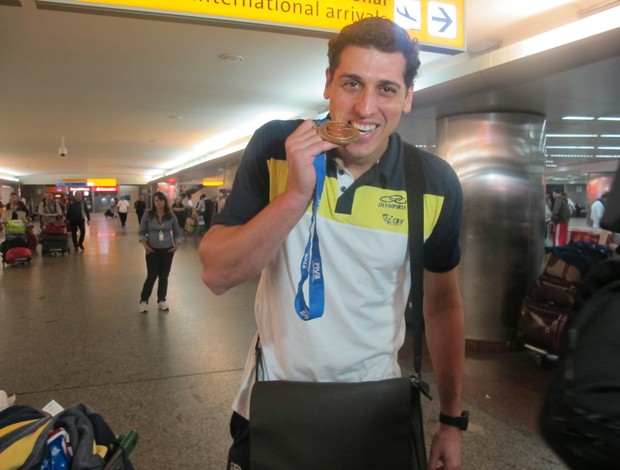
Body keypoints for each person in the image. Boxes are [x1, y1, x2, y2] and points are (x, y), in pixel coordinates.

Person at [199, 17, 465, 470]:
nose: (365, 107)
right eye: (352, 83)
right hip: (272, 403)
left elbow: (441, 305)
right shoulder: (277, 146)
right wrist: (296, 195)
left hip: (374, 411)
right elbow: (217, 274)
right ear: (328, 84)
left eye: (386, 89)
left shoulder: (433, 183)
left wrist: (451, 421)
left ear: (407, 97)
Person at [138, 191, 183, 313]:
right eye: (156, 200)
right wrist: (145, 246)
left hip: (167, 250)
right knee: (152, 275)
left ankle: (161, 300)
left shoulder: (171, 215)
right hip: (152, 249)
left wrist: (176, 246)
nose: (159, 203)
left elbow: (177, 232)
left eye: (161, 200)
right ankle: (144, 300)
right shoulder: (148, 215)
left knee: (164, 275)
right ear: (153, 202)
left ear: (165, 201)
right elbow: (141, 232)